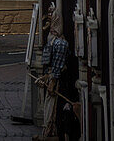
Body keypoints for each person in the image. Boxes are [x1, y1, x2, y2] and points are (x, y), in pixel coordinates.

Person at [35, 7, 69, 140]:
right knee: (48, 108)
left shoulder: (60, 43)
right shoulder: (52, 40)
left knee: (54, 110)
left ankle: (52, 133)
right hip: (51, 79)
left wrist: (53, 81)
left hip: (58, 83)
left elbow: (57, 66)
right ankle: (47, 132)